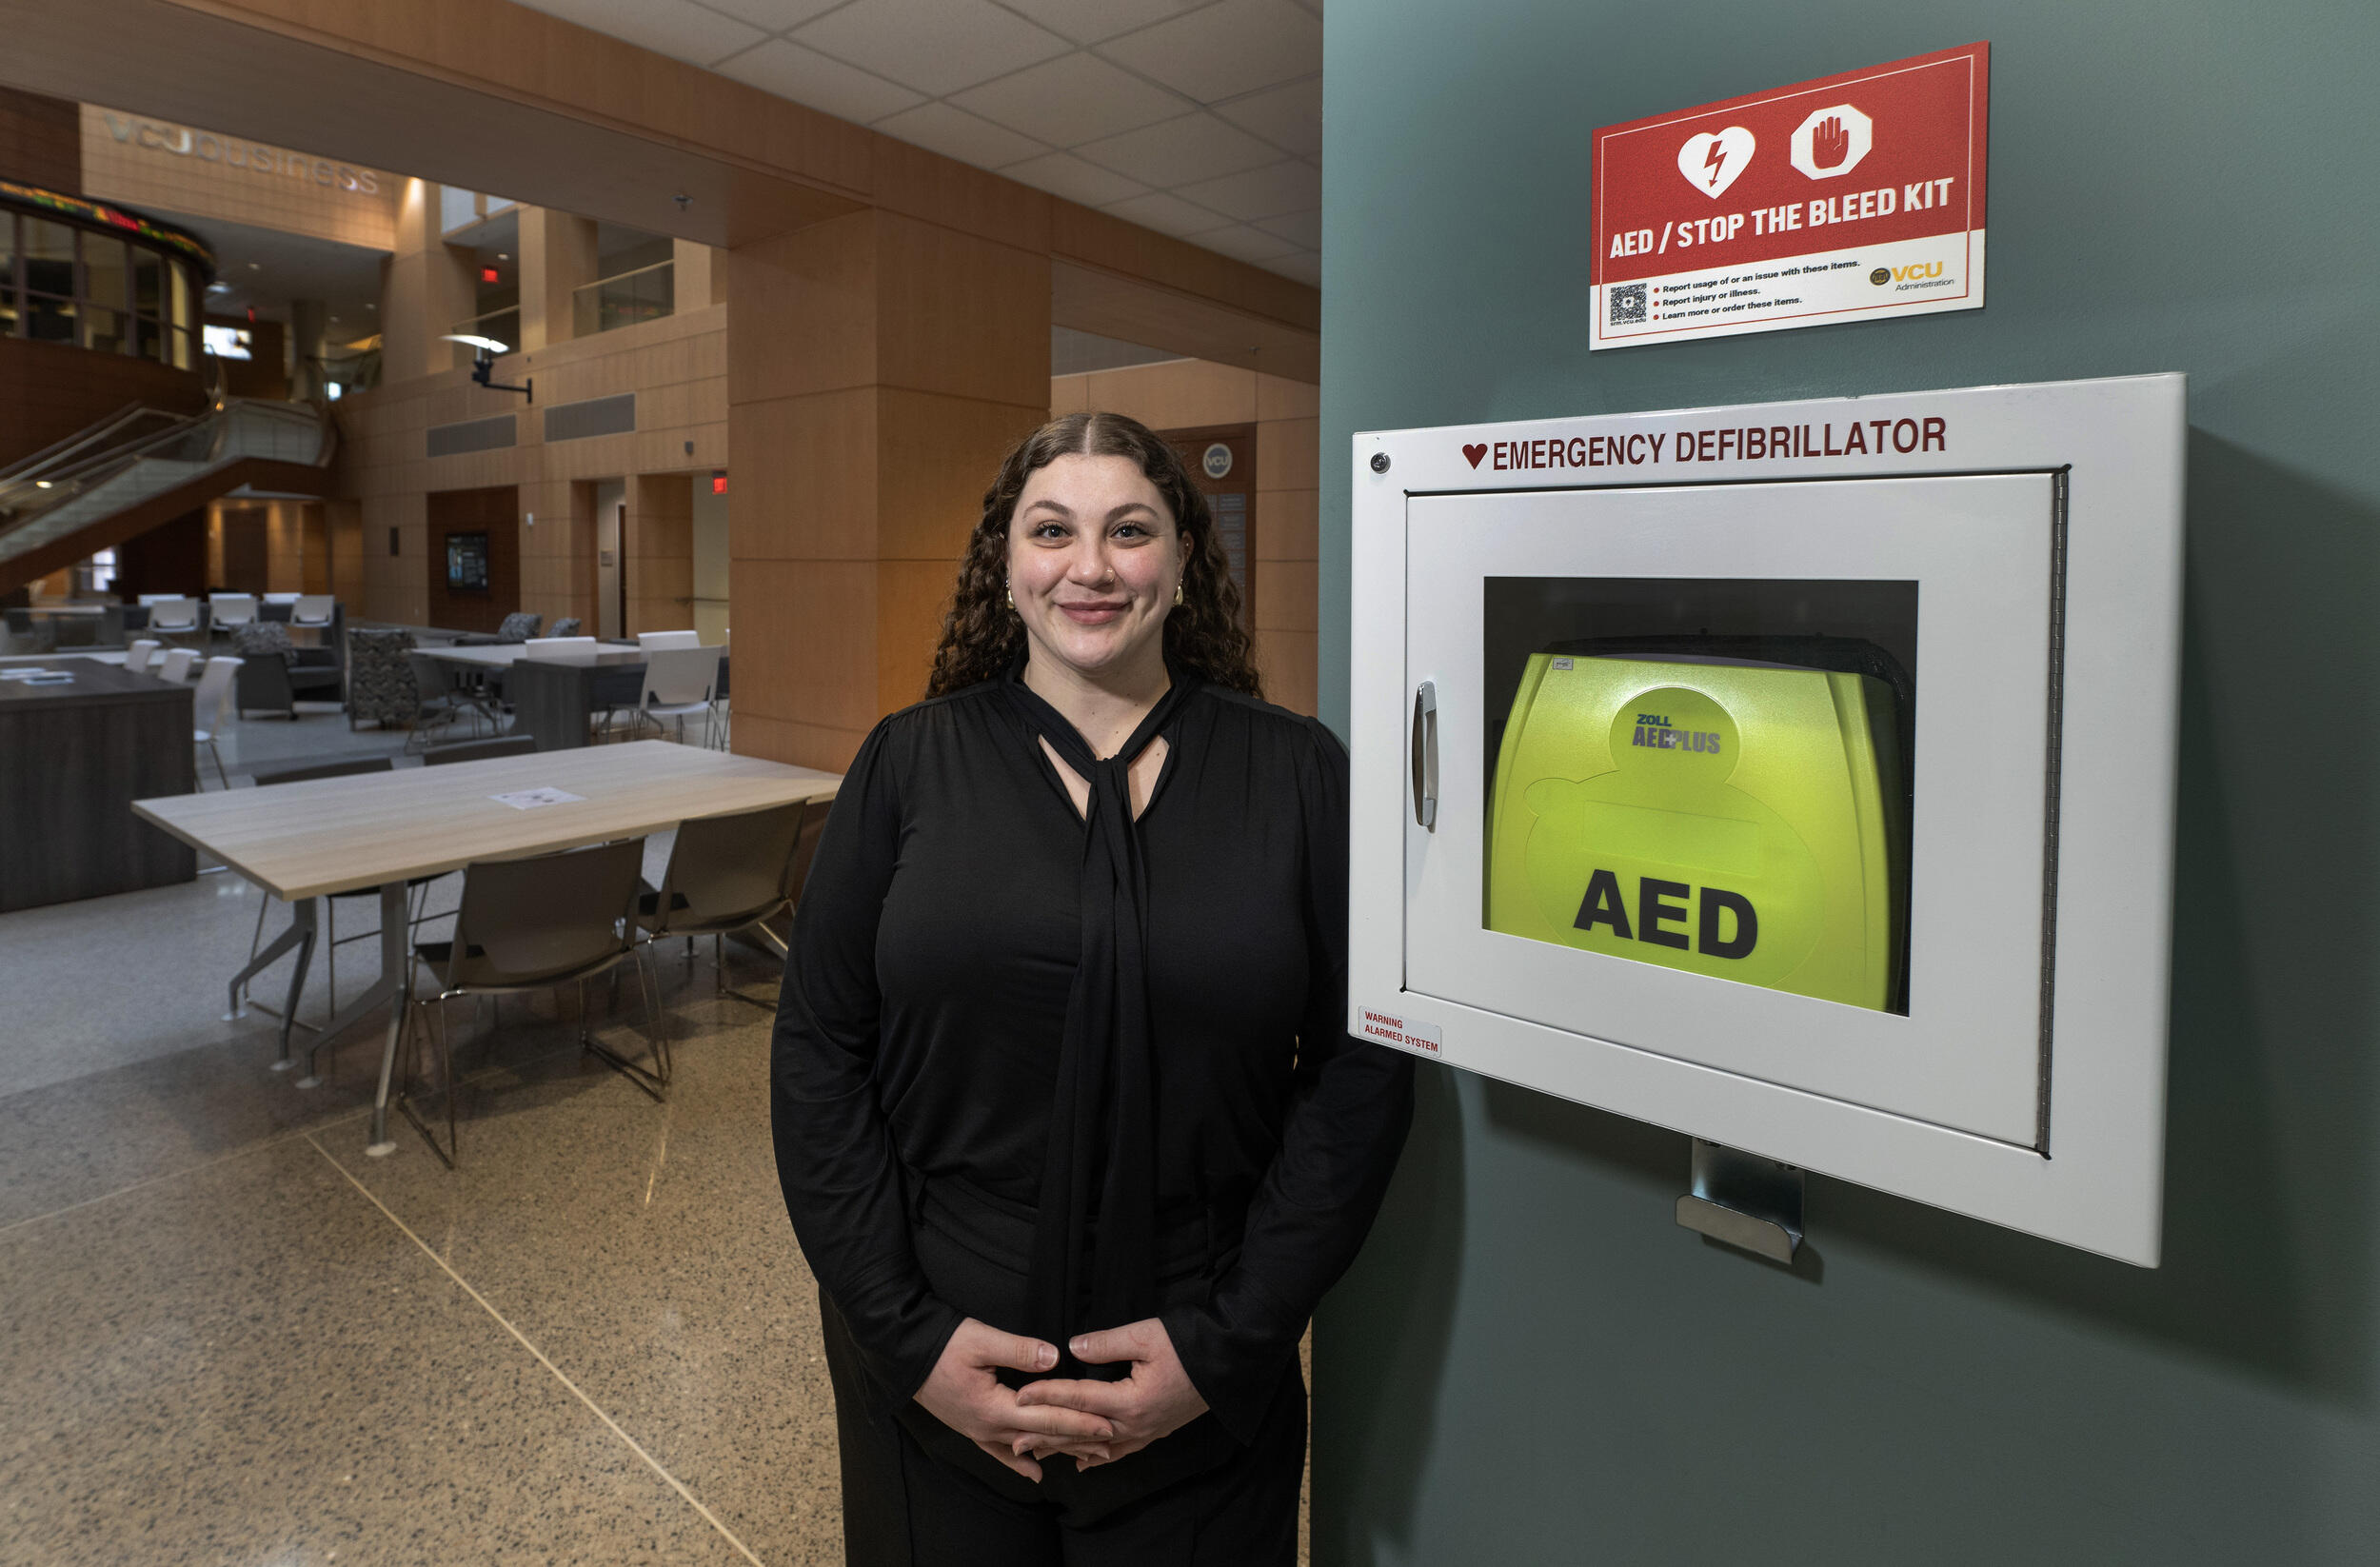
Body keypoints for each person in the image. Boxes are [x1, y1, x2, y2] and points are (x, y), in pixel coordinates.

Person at [771, 411, 1416, 1564]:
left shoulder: (1298, 774)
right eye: (1051, 530)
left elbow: (1362, 1068)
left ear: (1180, 563)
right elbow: (820, 1051)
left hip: (1200, 1346)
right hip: (936, 1346)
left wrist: (1229, 1343)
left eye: (1129, 530)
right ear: (1005, 570)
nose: (1090, 566)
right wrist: (907, 1338)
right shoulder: (906, 763)